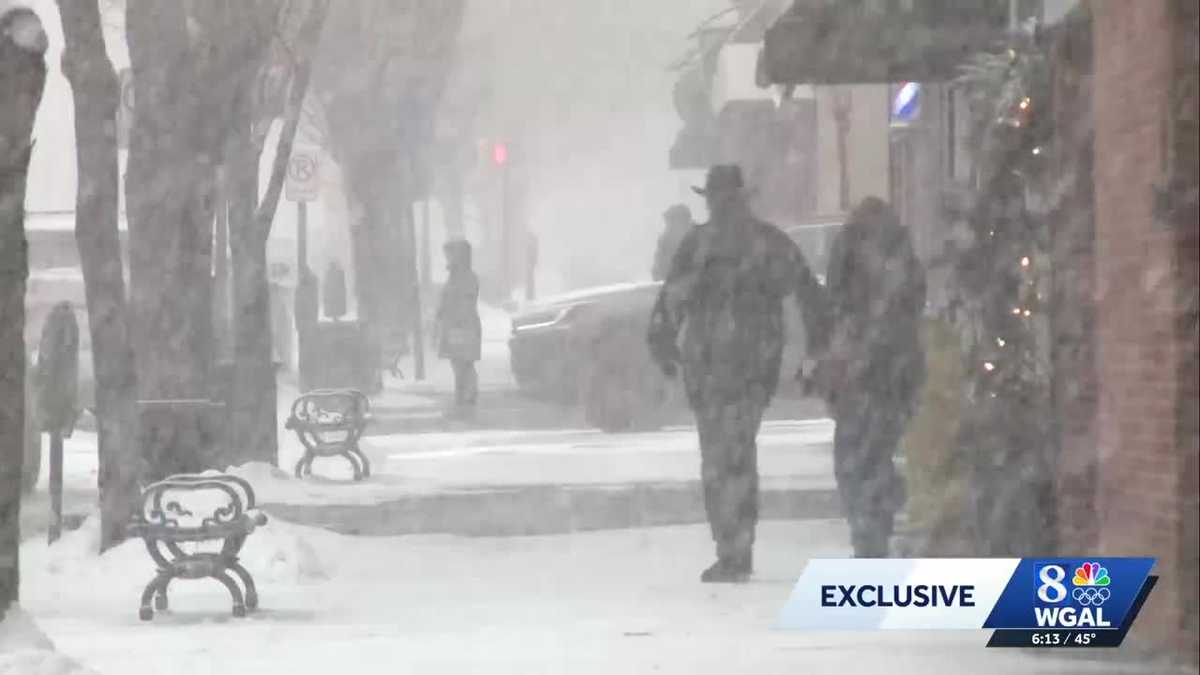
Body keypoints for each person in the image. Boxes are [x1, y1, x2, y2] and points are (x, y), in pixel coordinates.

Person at [647, 165, 829, 582]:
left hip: (713, 367)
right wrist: (816, 345)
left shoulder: (701, 244)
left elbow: (672, 299)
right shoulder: (766, 242)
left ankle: (732, 547)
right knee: (738, 455)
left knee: (719, 459)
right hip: (750, 366)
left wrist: (664, 342)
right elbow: (808, 294)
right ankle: (737, 545)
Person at [815, 196, 926, 558]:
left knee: (857, 460)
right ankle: (874, 525)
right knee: (872, 456)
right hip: (887, 376)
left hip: (866, 376)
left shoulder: (854, 261)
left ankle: (870, 531)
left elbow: (833, 310)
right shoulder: (901, 262)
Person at [436, 239, 482, 409]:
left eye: (449, 254)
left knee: (463, 361)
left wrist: (453, 316)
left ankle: (466, 392)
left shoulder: (466, 277)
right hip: (457, 325)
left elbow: (465, 301)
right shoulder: (455, 276)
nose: (447, 258)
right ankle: (464, 392)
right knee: (459, 361)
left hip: (462, 326)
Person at [651, 204, 695, 281]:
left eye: (671, 221)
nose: (668, 226)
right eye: (668, 222)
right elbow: (658, 264)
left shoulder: (697, 237)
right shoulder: (665, 239)